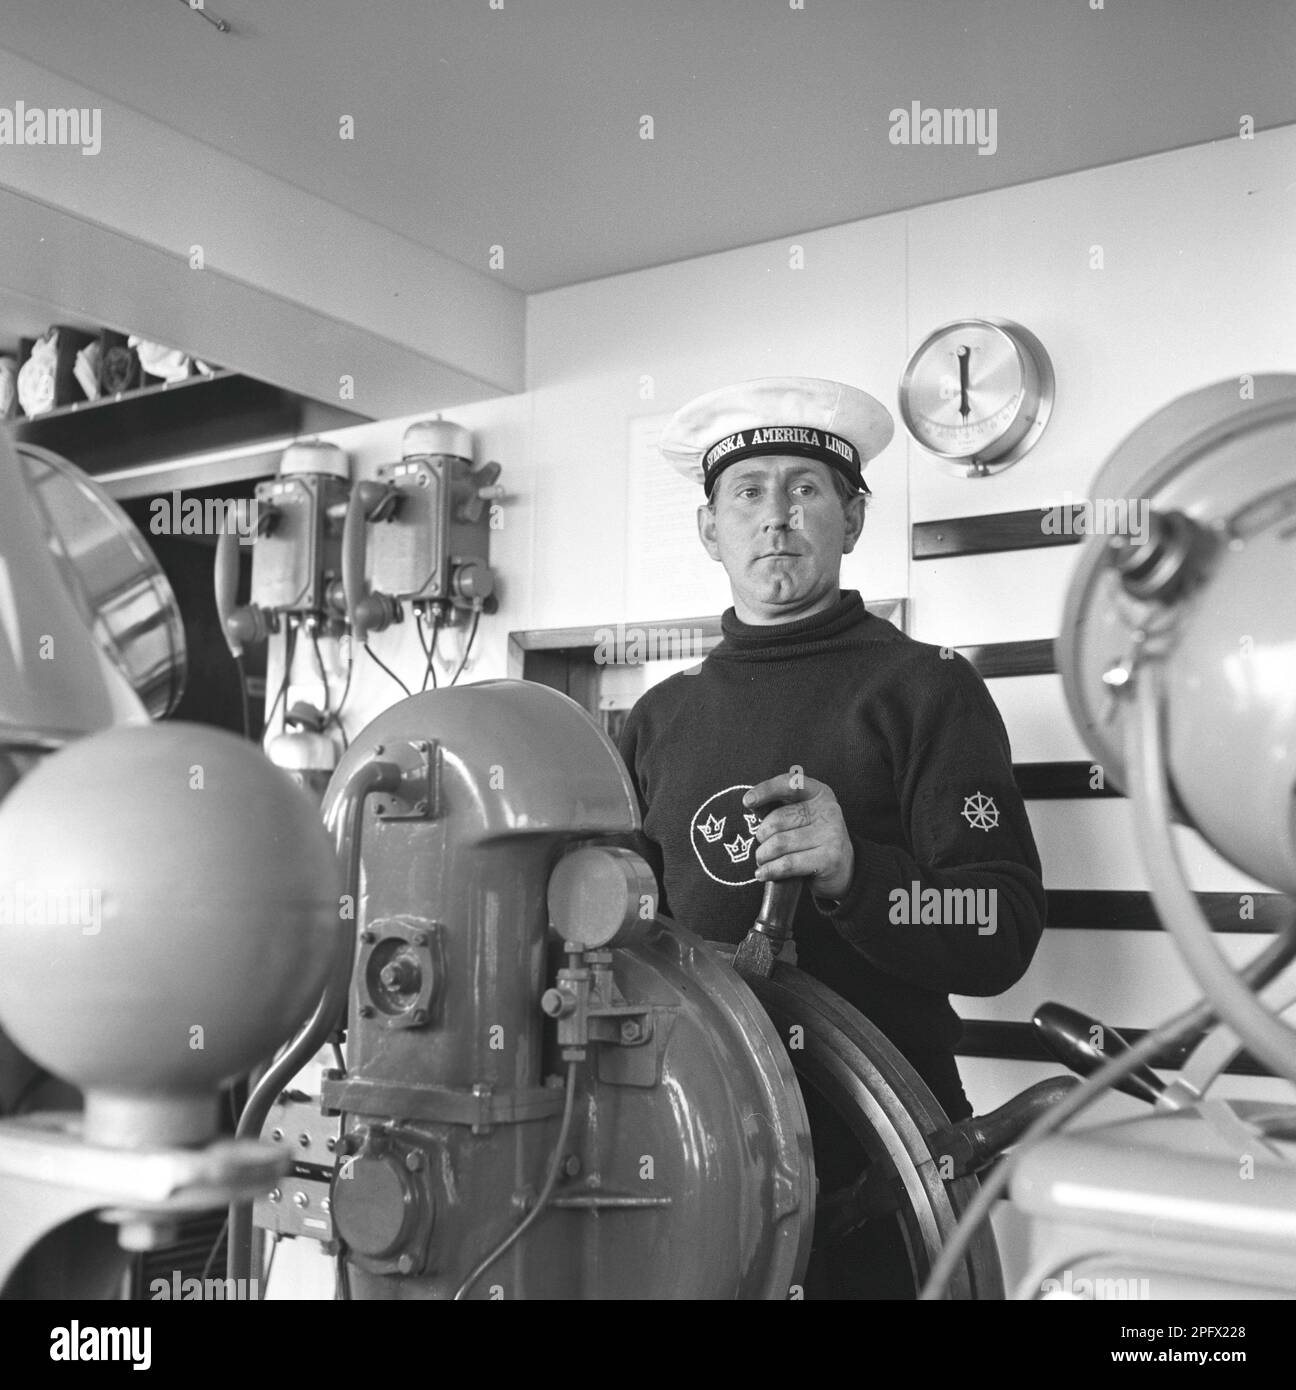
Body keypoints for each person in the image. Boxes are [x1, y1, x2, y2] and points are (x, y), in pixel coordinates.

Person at [615, 376, 1047, 1295]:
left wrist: (861, 877)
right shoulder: (657, 719)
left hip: (887, 1162)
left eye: (805, 489)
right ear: (710, 530)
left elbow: (999, 922)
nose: (776, 517)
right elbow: (625, 941)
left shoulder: (928, 690)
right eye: (748, 491)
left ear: (852, 520)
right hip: (694, 1152)